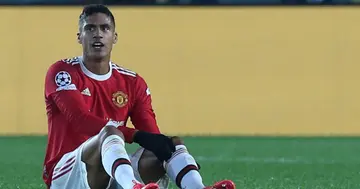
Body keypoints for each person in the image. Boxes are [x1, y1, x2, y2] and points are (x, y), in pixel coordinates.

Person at [42, 4, 236, 189]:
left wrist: (171, 154)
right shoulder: (62, 72)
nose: (98, 34)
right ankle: (133, 186)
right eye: (90, 28)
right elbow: (80, 120)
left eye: (105, 28)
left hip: (113, 170)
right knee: (110, 132)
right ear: (79, 37)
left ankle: (197, 186)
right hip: (67, 174)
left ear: (114, 37)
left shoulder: (132, 82)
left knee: (171, 144)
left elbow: (150, 134)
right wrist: (135, 135)